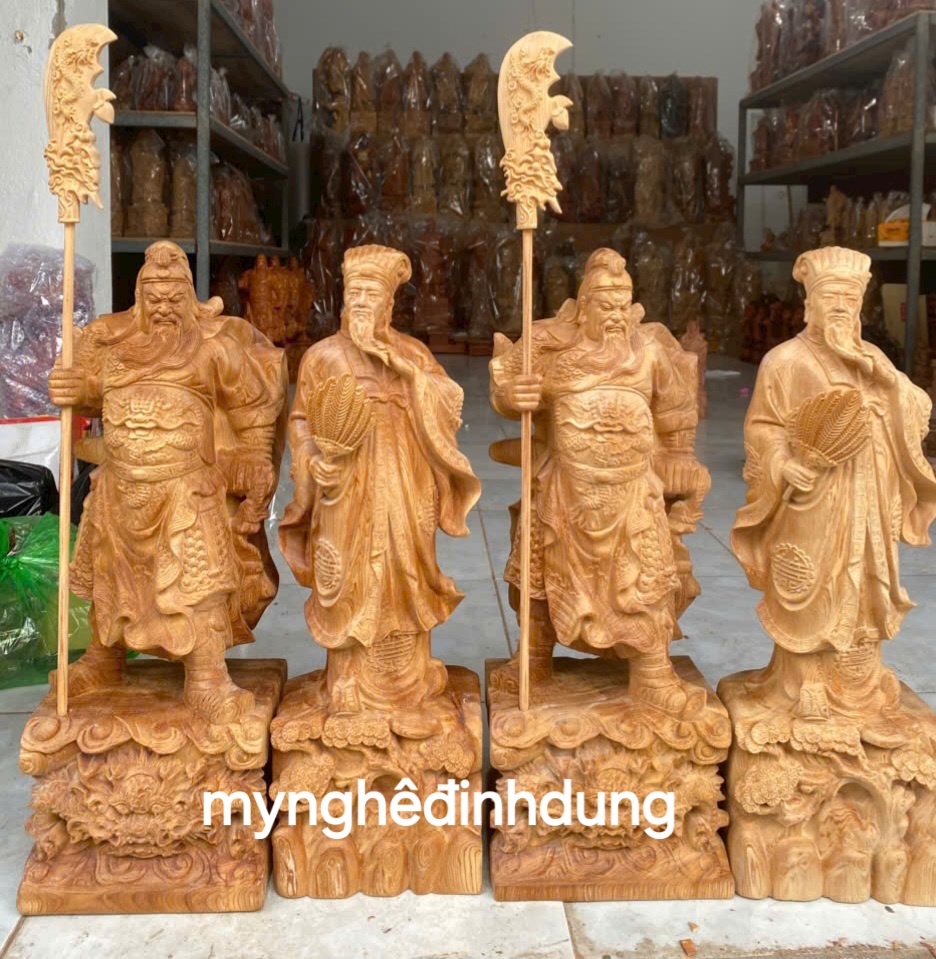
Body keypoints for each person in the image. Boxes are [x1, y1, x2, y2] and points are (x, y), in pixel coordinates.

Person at [48, 240, 283, 723]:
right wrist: (75, 387)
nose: (163, 308)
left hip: (185, 487)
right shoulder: (116, 349)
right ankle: (103, 659)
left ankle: (207, 677)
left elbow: (253, 406)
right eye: (153, 298)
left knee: (197, 582)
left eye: (174, 298)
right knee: (110, 575)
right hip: (120, 487)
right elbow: (92, 393)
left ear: (189, 299)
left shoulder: (213, 349)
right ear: (140, 300)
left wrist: (256, 458)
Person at [489, 247, 708, 714]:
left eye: (621, 306)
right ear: (583, 308)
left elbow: (675, 409)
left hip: (633, 492)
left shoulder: (648, 352)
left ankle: (652, 672)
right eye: (604, 306)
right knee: (539, 575)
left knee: (646, 577)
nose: (614, 316)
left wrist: (680, 457)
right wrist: (515, 395)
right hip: (565, 489)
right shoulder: (555, 351)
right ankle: (533, 659)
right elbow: (508, 388)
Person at [732, 246, 936, 717]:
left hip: (872, 491)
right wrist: (782, 464)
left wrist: (883, 380)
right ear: (809, 305)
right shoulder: (785, 360)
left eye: (850, 298)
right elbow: (762, 426)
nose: (841, 307)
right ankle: (803, 678)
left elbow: (917, 409)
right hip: (814, 495)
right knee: (808, 581)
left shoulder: (873, 359)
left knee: (866, 584)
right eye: (831, 298)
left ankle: (860, 677)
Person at [279, 244, 480, 711]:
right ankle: (346, 677)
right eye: (355, 293)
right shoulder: (323, 356)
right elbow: (301, 420)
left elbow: (449, 404)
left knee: (407, 576)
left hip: (408, 484)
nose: (362, 303)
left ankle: (412, 673)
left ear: (390, 304)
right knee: (347, 577)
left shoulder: (413, 353)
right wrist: (312, 462)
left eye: (372, 295)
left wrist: (406, 372)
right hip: (346, 488)